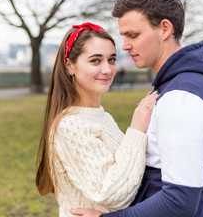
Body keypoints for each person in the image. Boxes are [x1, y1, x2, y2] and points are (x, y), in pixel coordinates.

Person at [70, 0, 203, 217]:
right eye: (123, 36)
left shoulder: (181, 98)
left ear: (164, 29)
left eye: (133, 35)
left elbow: (179, 203)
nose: (125, 45)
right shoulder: (186, 85)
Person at [35, 22, 159, 217]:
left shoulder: (102, 117)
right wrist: (136, 130)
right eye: (95, 60)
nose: (107, 69)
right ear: (70, 66)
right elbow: (110, 194)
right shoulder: (70, 125)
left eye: (111, 59)